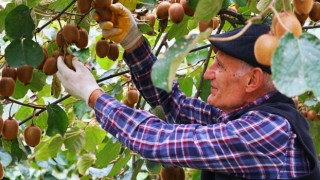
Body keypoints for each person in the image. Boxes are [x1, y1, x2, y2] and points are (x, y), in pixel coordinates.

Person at [56, 3, 320, 180]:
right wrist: (133, 41)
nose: (208, 73)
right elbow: (175, 105)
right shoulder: (242, 117)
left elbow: (159, 141)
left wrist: (94, 95)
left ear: (253, 80)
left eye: (220, 66)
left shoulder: (270, 130)